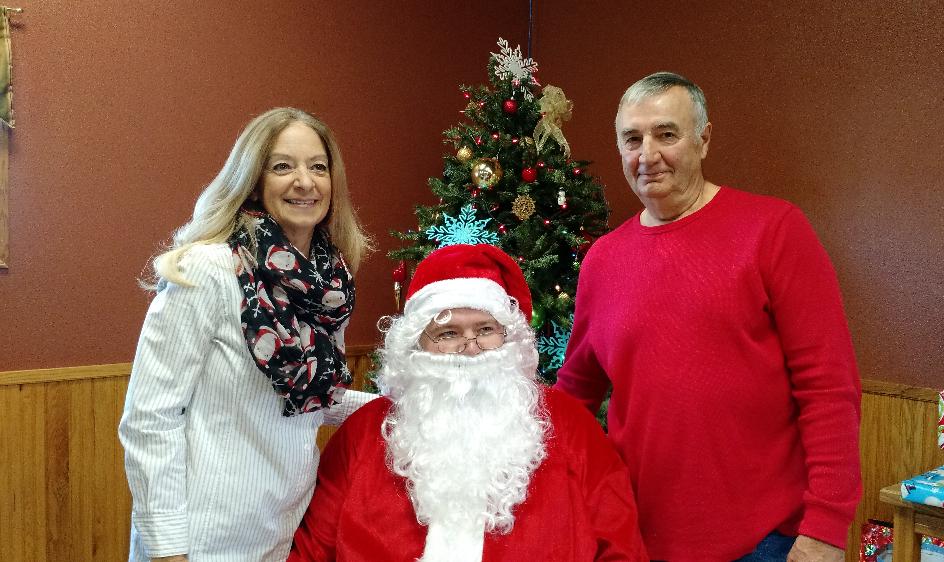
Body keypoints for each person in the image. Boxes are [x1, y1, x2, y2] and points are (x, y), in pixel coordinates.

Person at [555, 72, 862, 562]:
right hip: (636, 539)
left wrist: (825, 529)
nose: (647, 154)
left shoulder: (774, 230)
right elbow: (574, 393)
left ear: (704, 138)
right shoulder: (603, 259)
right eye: (632, 139)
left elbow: (828, 386)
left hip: (767, 542)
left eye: (666, 134)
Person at [119, 107, 377, 562]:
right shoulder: (208, 271)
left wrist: (399, 407)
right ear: (254, 181)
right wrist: (167, 549)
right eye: (283, 166)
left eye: (318, 167)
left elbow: (313, 397)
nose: (305, 181)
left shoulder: (329, 288)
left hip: (283, 530)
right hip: (199, 540)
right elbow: (150, 418)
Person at [287, 244, 647, 562]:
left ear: (510, 339)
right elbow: (312, 550)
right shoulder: (364, 434)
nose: (470, 347)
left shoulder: (568, 425)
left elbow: (620, 546)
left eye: (485, 330)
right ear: (415, 345)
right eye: (448, 333)